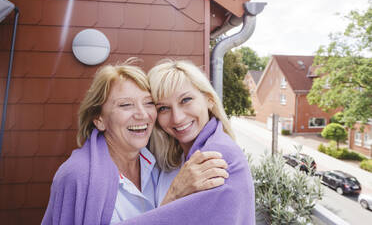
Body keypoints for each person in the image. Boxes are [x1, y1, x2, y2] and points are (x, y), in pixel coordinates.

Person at [41, 60, 229, 225]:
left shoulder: (158, 164)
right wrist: (174, 197)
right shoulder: (77, 176)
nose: (142, 114)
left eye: (149, 103)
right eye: (125, 105)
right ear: (99, 119)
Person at [121, 60, 255, 224]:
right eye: (163, 108)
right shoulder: (173, 158)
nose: (177, 118)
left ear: (209, 99)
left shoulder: (216, 157)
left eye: (186, 100)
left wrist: (174, 194)